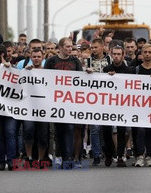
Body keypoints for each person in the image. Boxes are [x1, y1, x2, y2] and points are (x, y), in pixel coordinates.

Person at [44, 38, 84, 168]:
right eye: (67, 47)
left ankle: (68, 157)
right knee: (59, 130)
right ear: (60, 48)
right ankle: (60, 155)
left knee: (70, 128)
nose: (70, 49)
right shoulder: (51, 61)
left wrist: (87, 74)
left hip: (70, 102)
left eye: (71, 47)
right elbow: (43, 78)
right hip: (56, 102)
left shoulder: (75, 61)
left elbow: (81, 79)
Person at [102, 44, 132, 167]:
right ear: (110, 54)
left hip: (123, 105)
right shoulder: (106, 70)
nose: (116, 56)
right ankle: (109, 153)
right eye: (114, 54)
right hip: (109, 105)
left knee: (121, 131)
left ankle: (120, 155)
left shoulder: (129, 70)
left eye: (119, 54)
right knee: (106, 130)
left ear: (123, 55)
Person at [84, 38, 112, 166]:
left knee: (106, 128)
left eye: (96, 47)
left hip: (108, 98)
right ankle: (96, 154)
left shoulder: (110, 60)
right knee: (94, 128)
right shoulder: (87, 61)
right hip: (93, 98)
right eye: (92, 47)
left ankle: (107, 151)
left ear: (102, 47)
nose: (93, 50)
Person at [22, 48, 49, 167]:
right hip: (29, 108)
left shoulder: (48, 72)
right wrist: (25, 71)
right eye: (34, 57)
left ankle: (40, 159)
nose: (36, 59)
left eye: (39, 56)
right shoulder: (25, 71)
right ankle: (29, 157)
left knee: (43, 135)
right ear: (31, 57)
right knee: (28, 131)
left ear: (42, 57)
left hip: (44, 109)